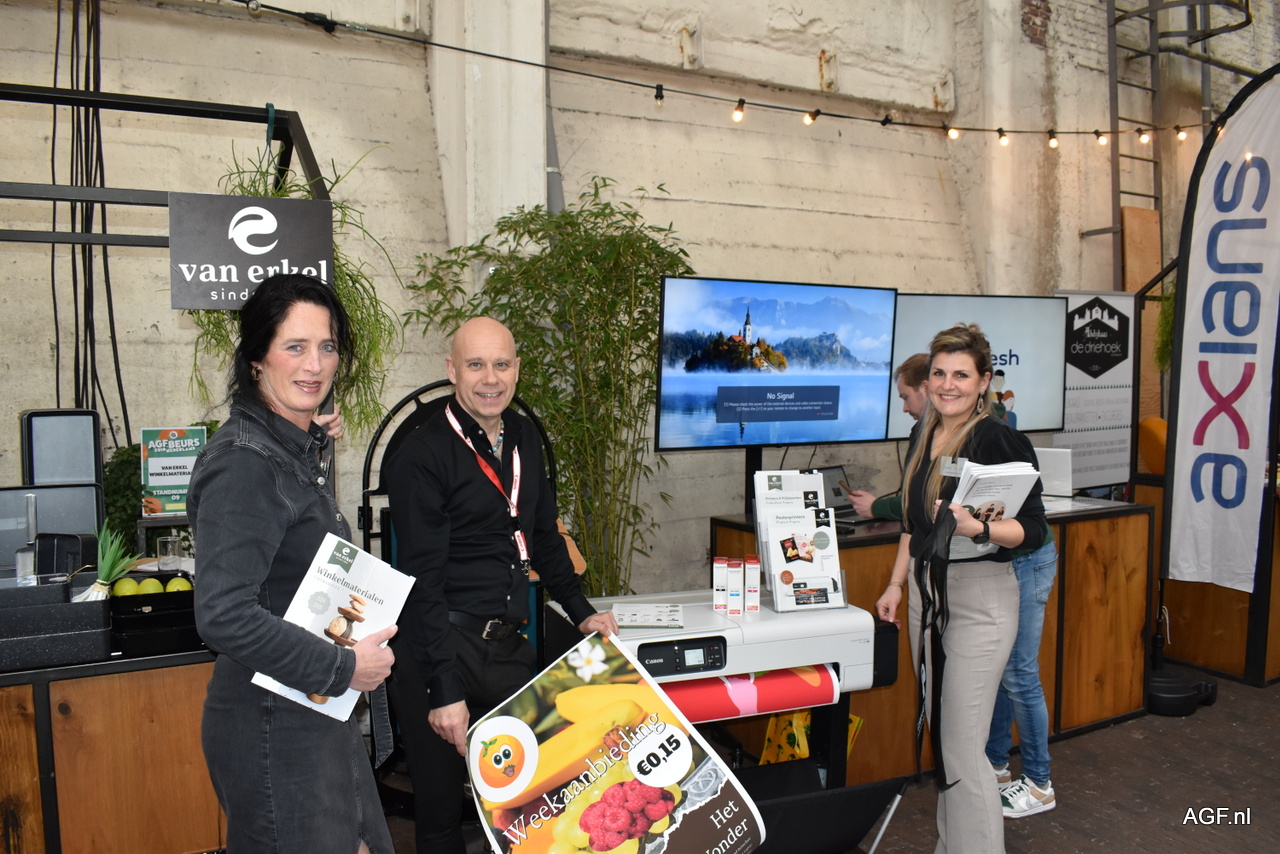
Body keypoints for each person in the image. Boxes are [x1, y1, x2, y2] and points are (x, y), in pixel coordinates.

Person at [385, 316, 618, 854]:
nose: (490, 379)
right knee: (442, 813)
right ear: (451, 370)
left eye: (501, 364)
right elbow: (422, 581)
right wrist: (444, 691)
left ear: (516, 369)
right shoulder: (421, 454)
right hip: (438, 646)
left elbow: (544, 536)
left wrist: (581, 610)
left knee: (537, 802)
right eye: (475, 365)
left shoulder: (524, 436)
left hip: (505, 641)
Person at [189, 273, 396, 854]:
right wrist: (341, 667)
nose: (315, 365)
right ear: (257, 357)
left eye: (326, 346)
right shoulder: (243, 462)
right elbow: (223, 614)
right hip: (272, 724)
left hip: (310, 710)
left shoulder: (284, 449)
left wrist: (310, 445)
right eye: (295, 346)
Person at [875, 323, 1047, 854]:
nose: (948, 385)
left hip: (980, 601)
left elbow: (1034, 529)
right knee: (945, 743)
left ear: (984, 381)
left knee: (964, 748)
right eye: (939, 373)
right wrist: (896, 584)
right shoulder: (923, 434)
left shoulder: (997, 438)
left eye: (961, 375)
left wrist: (981, 528)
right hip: (927, 597)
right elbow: (913, 525)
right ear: (928, 379)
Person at [987, 532, 1058, 818]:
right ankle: (996, 767)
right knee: (1005, 669)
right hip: (1007, 560)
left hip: (1026, 559)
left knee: (1020, 674)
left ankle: (1039, 785)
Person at [845, 352, 929, 519]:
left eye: (906, 398)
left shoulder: (946, 434)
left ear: (925, 389)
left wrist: (876, 507)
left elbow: (928, 501)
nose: (905, 408)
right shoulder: (920, 430)